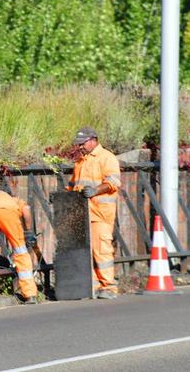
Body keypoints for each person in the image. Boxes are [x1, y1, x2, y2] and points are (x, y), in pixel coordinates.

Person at [68, 126, 122, 300]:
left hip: (100, 215)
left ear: (93, 140)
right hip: (83, 215)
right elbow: (73, 185)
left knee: (102, 251)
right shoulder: (81, 161)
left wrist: (95, 191)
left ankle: (109, 287)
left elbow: (113, 182)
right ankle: (94, 286)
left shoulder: (106, 158)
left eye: (82, 144)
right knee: (86, 253)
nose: (80, 147)